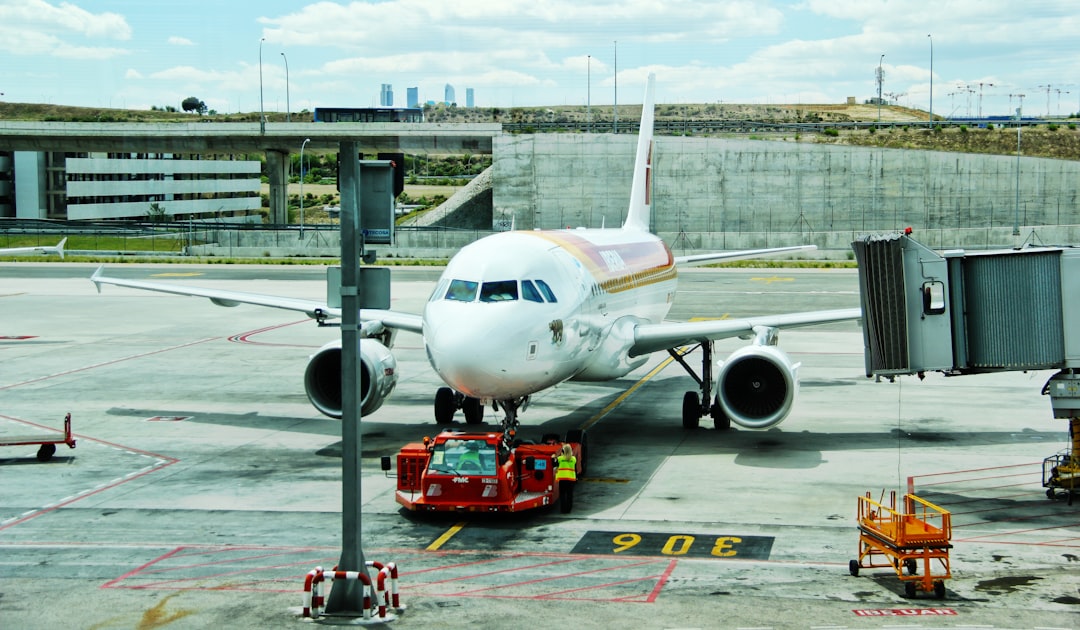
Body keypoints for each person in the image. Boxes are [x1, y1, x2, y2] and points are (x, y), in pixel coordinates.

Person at [555, 443, 577, 513]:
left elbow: (554, 464)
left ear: (563, 451)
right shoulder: (573, 459)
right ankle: (569, 509)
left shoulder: (560, 458)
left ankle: (563, 509)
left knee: (562, 495)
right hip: (571, 479)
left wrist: (554, 457)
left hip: (562, 479)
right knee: (569, 495)